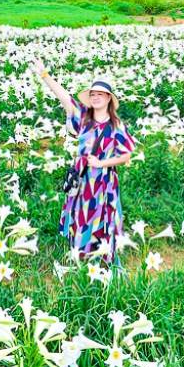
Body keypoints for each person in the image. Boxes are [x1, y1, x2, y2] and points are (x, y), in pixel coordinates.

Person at [32, 57, 136, 267]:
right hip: (82, 180)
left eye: (100, 94)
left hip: (104, 181)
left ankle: (103, 257)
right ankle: (81, 257)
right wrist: (45, 76)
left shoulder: (117, 127)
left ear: (108, 98)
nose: (96, 97)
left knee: (103, 217)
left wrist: (102, 163)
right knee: (81, 215)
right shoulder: (83, 118)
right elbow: (64, 97)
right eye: (93, 94)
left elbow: (126, 156)